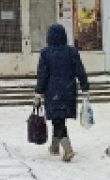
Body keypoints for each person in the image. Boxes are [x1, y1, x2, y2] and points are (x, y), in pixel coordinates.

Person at [33, 23, 90, 161]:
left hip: (52, 91)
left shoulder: (46, 53)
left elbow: (42, 74)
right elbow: (80, 70)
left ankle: (68, 149)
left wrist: (38, 93)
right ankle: (54, 147)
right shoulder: (72, 52)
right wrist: (85, 86)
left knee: (57, 120)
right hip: (69, 90)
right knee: (59, 119)